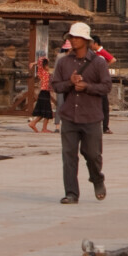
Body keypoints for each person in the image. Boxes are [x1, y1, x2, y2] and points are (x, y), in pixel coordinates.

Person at [50, 21, 110, 204]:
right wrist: (70, 82)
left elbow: (106, 86)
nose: (73, 40)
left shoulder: (98, 62)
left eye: (77, 37)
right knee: (68, 156)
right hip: (69, 116)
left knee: (92, 154)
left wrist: (87, 86)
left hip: (91, 116)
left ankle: (97, 178)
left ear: (86, 40)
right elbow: (55, 85)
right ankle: (71, 193)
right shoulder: (64, 62)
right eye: (72, 37)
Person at [91, 35, 116, 133]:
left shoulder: (101, 51)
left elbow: (113, 59)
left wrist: (104, 66)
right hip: (94, 80)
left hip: (101, 81)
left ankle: (105, 126)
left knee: (104, 105)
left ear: (95, 44)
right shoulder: (93, 53)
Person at [28, 56, 54, 133]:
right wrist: (34, 63)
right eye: (47, 65)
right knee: (46, 111)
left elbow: (47, 59)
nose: (48, 67)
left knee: (45, 112)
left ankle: (37, 125)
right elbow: (41, 60)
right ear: (44, 66)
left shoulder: (47, 73)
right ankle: (38, 125)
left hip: (46, 93)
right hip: (43, 93)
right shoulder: (42, 72)